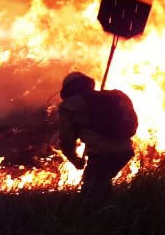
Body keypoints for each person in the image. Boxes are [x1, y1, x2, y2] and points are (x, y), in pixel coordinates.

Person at [59, 72, 138, 204]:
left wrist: (75, 160)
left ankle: (102, 220)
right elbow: (132, 123)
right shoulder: (118, 96)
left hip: (101, 155)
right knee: (102, 185)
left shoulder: (69, 105)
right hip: (125, 152)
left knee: (90, 196)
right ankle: (114, 212)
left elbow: (66, 140)